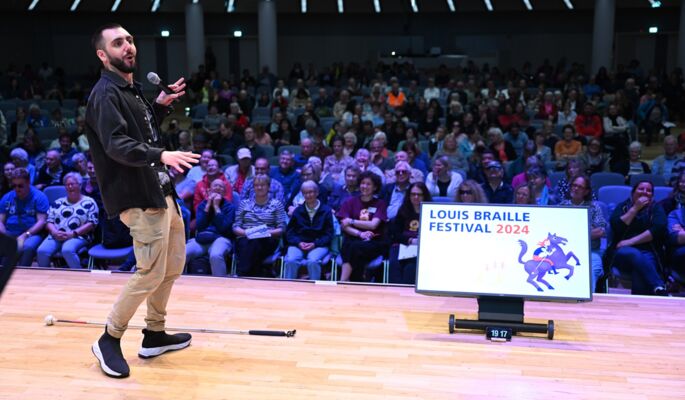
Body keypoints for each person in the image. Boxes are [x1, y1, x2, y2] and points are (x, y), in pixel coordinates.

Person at [85, 23, 200, 379]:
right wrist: (162, 155)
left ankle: (153, 333)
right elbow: (117, 144)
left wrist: (160, 107)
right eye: (118, 43)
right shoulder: (105, 94)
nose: (128, 46)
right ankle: (109, 338)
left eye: (130, 40)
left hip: (161, 192)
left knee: (170, 268)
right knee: (149, 273)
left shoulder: (131, 90)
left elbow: (142, 133)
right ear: (103, 55)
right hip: (138, 197)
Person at [607, 180, 668, 296]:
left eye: (649, 190)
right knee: (635, 254)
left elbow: (657, 230)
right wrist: (635, 208)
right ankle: (659, 286)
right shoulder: (623, 207)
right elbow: (616, 226)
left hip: (648, 251)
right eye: (641, 189)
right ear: (633, 192)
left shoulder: (656, 208)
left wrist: (630, 241)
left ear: (652, 195)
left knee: (640, 271)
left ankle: (642, 305)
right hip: (622, 253)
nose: (645, 192)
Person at [36, 172, 98, 269]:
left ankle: (80, 277)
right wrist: (54, 232)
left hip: (79, 236)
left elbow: (92, 223)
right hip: (56, 235)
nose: (70, 187)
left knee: (67, 250)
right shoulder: (58, 202)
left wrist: (73, 234)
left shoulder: (89, 202)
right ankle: (46, 279)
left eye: (72, 184)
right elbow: (49, 221)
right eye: (67, 185)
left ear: (80, 185)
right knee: (42, 251)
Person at [337, 171, 389, 282]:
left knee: (353, 248)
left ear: (375, 187)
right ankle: (357, 281)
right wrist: (360, 233)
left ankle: (343, 281)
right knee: (350, 246)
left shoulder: (380, 204)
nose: (364, 186)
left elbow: (373, 225)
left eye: (368, 184)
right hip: (354, 238)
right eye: (362, 183)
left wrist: (351, 221)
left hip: (373, 241)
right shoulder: (349, 202)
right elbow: (344, 225)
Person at [232, 175, 286, 277]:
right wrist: (246, 233)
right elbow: (236, 226)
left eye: (262, 185)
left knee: (256, 240)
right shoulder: (244, 203)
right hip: (245, 237)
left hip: (268, 238)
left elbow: (281, 228)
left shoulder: (276, 204)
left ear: (269, 187)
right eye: (256, 185)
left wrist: (264, 232)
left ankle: (242, 273)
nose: (259, 188)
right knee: (250, 241)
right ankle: (258, 272)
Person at [560, 175, 606, 292]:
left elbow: (601, 231)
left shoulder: (594, 207)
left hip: (590, 251)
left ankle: (588, 304)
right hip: (565, 252)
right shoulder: (561, 207)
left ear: (586, 191)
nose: (575, 189)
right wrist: (588, 231)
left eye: (580, 187)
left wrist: (572, 234)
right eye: (574, 185)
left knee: (591, 271)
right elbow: (558, 232)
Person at [283, 180, 334, 280]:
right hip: (299, 244)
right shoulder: (297, 211)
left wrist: (315, 244)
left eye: (311, 192)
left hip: (318, 244)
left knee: (313, 261)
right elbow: (290, 233)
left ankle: (314, 291)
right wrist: (298, 243)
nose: (308, 195)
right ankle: (288, 288)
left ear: (317, 193)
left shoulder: (326, 211)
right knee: (291, 260)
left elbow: (329, 234)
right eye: (305, 193)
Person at [185, 178, 235, 276]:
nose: (218, 188)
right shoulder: (202, 205)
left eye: (221, 186)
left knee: (215, 255)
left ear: (224, 193)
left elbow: (224, 228)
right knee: (183, 252)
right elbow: (200, 226)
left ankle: (221, 285)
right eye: (215, 185)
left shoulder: (230, 207)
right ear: (209, 190)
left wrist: (216, 207)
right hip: (202, 239)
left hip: (221, 238)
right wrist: (208, 205)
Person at [0, 168, 49, 266]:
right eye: (14, 186)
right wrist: (5, 234)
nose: (17, 189)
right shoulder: (7, 197)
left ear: (28, 182)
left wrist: (25, 235)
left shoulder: (39, 197)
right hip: (10, 232)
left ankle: (23, 274)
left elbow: (41, 221)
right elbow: (0, 220)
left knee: (27, 247)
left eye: (20, 186)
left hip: (32, 234)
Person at [388, 182, 432, 284]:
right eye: (413, 194)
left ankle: (407, 295)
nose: (416, 197)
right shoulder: (403, 209)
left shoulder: (430, 211)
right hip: (403, 243)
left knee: (410, 268)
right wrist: (410, 240)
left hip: (421, 247)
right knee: (395, 265)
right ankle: (394, 294)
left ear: (424, 195)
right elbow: (396, 234)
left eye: (419, 194)